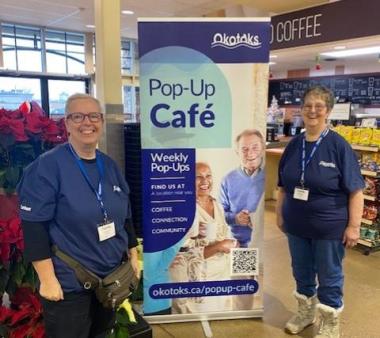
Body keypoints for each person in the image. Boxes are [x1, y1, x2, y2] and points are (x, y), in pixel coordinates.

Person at [17, 93, 140, 338]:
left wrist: (133, 256)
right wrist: (47, 279)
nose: (87, 122)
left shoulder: (109, 165)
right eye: (78, 116)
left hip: (110, 279)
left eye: (94, 116)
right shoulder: (47, 167)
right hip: (69, 283)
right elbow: (33, 226)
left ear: (102, 122)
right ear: (66, 123)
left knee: (101, 334)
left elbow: (124, 216)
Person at [276, 86, 364, 338]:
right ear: (301, 110)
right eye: (308, 106)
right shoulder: (294, 144)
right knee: (301, 270)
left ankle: (330, 320)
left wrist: (354, 226)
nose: (312, 111)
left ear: (328, 111)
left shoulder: (338, 146)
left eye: (319, 106)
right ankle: (306, 312)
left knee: (330, 274)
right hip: (296, 225)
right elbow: (282, 185)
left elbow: (355, 191)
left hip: (329, 226)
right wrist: (280, 214)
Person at [169, 162, 236, 313]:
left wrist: (230, 244)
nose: (205, 181)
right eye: (198, 177)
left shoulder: (217, 204)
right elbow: (183, 254)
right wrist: (219, 246)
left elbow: (224, 234)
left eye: (208, 176)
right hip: (198, 278)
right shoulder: (183, 209)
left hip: (222, 275)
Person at [220, 129, 265, 248]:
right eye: (244, 149)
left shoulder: (270, 175)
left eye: (255, 147)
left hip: (266, 244)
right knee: (244, 267)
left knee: (267, 267)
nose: (250, 153)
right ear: (237, 152)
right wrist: (235, 218)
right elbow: (219, 215)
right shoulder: (227, 180)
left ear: (262, 148)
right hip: (240, 244)